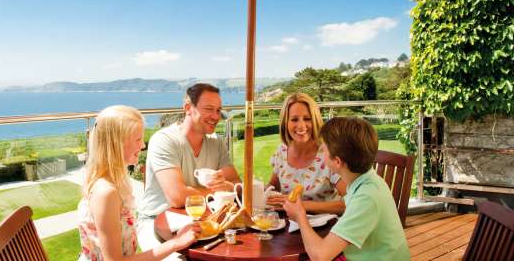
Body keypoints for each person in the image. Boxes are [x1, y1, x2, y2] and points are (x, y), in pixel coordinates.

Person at [78, 105, 200, 261]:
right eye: (137, 139)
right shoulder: (105, 193)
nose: (143, 145)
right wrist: (176, 243)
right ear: (116, 144)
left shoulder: (116, 182)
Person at [284, 117, 410, 261]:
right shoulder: (366, 180)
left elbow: (320, 256)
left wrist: (300, 216)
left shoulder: (367, 197)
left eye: (323, 150)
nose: (320, 153)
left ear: (337, 162)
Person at [137, 83, 242, 255]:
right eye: (209, 109)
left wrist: (229, 187)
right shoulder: (164, 140)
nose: (216, 116)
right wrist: (220, 189)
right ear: (188, 108)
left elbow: (237, 184)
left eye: (218, 110)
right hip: (156, 223)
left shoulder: (216, 142)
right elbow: (177, 198)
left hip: (202, 220)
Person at [266, 93, 346, 214]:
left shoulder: (329, 153)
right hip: (289, 227)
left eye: (307, 119)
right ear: (285, 123)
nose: (301, 126)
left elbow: (348, 203)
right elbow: (273, 188)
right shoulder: (282, 151)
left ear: (315, 120)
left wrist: (302, 206)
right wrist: (255, 190)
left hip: (325, 228)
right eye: (294, 119)